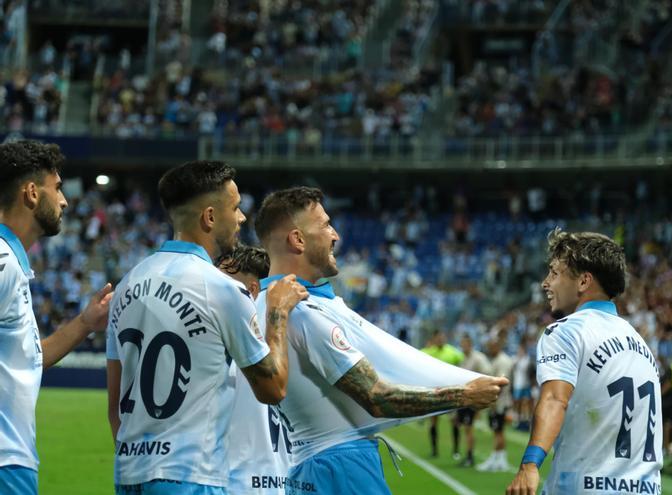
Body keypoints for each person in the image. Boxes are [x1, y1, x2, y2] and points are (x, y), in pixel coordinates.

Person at [252, 186, 508, 495]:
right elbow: (376, 397)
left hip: (305, 467)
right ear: (297, 239)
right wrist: (465, 395)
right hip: (341, 468)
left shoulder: (261, 303)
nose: (335, 235)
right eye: (325, 225)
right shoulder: (305, 313)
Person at [106, 161, 307, 495]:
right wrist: (279, 312)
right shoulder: (222, 289)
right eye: (236, 207)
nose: (242, 218)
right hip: (190, 477)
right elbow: (272, 388)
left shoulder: (129, 283)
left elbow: (115, 406)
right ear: (210, 218)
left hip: (128, 475)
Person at [506, 229, 662, 495]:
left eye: (554, 273)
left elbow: (556, 399)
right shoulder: (639, 342)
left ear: (583, 282)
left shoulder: (566, 331)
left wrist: (530, 464)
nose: (546, 283)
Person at [0, 140, 114, 495]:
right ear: (32, 193)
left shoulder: (11, 262)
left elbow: (27, 360)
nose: (64, 200)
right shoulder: (3, 262)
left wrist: (85, 323)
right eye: (58, 188)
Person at [217, 245, 293, 494]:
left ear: (251, 289)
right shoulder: (291, 337)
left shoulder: (227, 344)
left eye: (223, 283)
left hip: (239, 483)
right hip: (289, 480)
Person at [420, 329, 464, 458]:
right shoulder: (427, 352)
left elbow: (461, 364)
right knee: (433, 421)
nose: (441, 340)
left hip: (450, 392)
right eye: (438, 338)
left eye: (442, 337)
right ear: (433, 339)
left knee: (455, 421)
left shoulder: (453, 353)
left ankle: (456, 450)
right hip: (434, 392)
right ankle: (434, 450)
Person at [476, 338, 514, 473]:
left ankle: (499, 459)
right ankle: (498, 458)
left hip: (500, 402)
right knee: (497, 431)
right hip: (498, 401)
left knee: (499, 431)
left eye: (491, 346)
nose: (489, 349)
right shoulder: (497, 359)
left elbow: (502, 382)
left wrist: (493, 399)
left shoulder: (502, 361)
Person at [456, 334, 491, 467]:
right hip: (463, 397)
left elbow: (487, 371)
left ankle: (470, 456)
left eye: (465, 344)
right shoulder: (461, 358)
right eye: (462, 344)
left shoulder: (478, 358)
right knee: (464, 427)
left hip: (472, 397)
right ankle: (465, 453)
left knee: (468, 428)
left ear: (470, 344)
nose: (463, 346)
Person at [512, 336, 535, 431]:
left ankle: (526, 420)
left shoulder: (527, 360)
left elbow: (531, 372)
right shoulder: (515, 359)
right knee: (517, 403)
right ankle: (517, 420)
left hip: (526, 384)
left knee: (526, 402)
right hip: (517, 384)